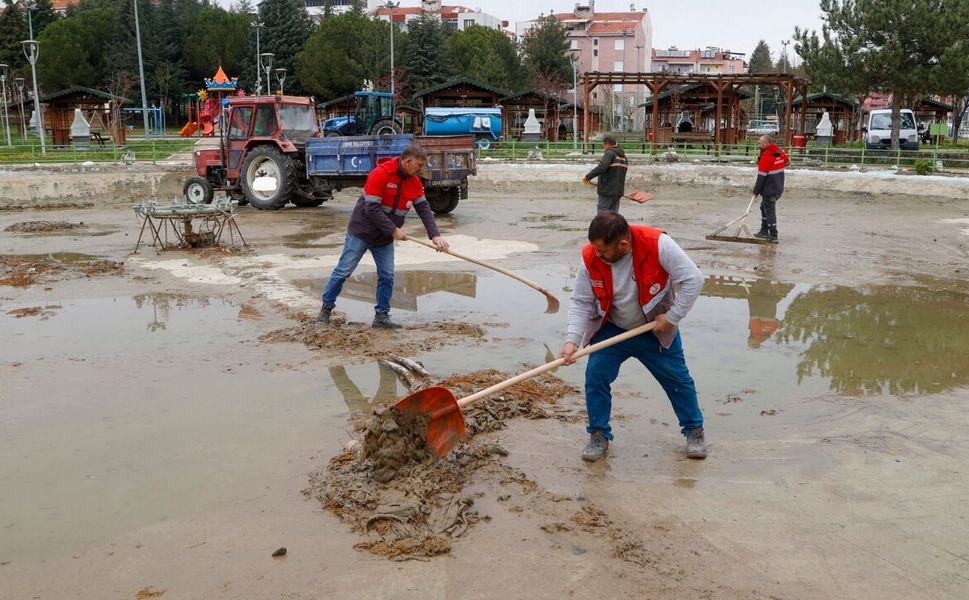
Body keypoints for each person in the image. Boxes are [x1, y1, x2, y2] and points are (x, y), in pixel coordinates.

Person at [559, 211, 706, 462]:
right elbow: (582, 301)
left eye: (603, 252)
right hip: (612, 327)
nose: (598, 256)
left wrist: (672, 318)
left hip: (653, 328)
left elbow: (694, 280)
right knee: (595, 376)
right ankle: (598, 435)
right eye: (595, 250)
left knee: (677, 379)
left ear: (623, 245)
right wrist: (572, 340)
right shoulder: (590, 256)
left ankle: (694, 431)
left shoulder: (657, 244)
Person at [318, 144, 448, 328]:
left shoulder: (414, 182)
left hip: (384, 239)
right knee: (343, 271)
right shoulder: (380, 174)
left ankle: (381, 317)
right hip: (361, 233)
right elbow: (371, 208)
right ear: (408, 161)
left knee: (387, 275)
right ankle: (326, 309)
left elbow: (424, 209)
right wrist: (393, 230)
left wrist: (435, 236)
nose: (421, 169)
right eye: (419, 165)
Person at [752, 134, 790, 243]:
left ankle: (773, 235)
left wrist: (756, 191)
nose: (758, 145)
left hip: (770, 189)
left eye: (760, 143)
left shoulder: (766, 157)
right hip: (778, 187)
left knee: (769, 210)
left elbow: (761, 178)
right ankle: (764, 231)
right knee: (763, 206)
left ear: (766, 143)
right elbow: (787, 162)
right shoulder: (779, 152)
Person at [582, 134, 628, 214]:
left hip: (607, 192)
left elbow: (602, 167)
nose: (604, 148)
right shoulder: (624, 157)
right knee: (613, 217)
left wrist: (588, 177)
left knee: (603, 217)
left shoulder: (610, 153)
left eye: (604, 146)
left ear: (607, 144)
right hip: (618, 193)